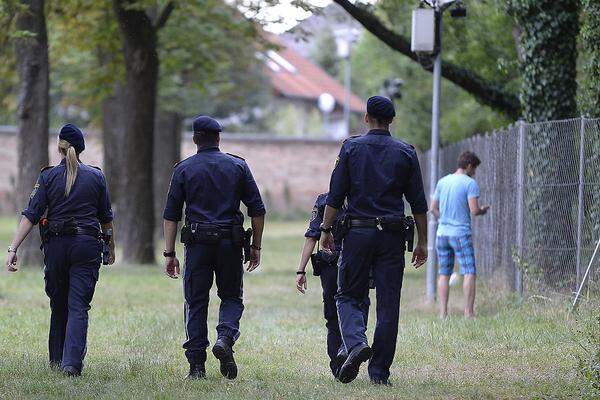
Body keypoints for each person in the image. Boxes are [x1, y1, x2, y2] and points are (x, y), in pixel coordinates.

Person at [319, 96, 429, 385]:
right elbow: (418, 202)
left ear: (366, 118)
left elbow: (335, 195)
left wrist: (325, 230)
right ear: (391, 121)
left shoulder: (351, 148)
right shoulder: (406, 152)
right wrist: (422, 242)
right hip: (392, 236)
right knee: (388, 304)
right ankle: (379, 373)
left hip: (357, 233)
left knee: (347, 295)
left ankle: (356, 343)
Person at [5, 124, 115, 377]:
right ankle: (71, 365)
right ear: (81, 148)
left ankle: (57, 360)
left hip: (56, 246)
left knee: (58, 303)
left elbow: (31, 215)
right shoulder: (96, 177)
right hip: (87, 247)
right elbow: (106, 219)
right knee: (78, 306)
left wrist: (13, 248)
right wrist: (110, 247)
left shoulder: (47, 177)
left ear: (59, 147)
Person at [162, 115, 265, 380]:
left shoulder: (184, 169)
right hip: (230, 243)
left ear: (195, 139)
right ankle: (225, 337)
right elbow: (257, 210)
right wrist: (256, 246)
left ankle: (196, 367)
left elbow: (171, 215)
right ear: (218, 138)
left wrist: (170, 253)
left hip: (197, 244)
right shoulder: (237, 166)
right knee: (231, 296)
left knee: (195, 302)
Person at [295, 192, 369, 379]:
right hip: (356, 262)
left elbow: (312, 235)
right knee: (358, 306)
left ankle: (338, 364)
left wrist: (301, 270)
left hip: (331, 264)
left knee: (332, 316)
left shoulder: (324, 201)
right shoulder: (364, 198)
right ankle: (349, 347)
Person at [430, 151, 489, 319]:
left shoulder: (442, 181)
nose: (475, 172)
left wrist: (445, 219)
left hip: (442, 234)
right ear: (469, 166)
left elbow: (433, 208)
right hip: (460, 234)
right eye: (475, 168)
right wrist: (482, 210)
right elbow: (474, 210)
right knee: (469, 271)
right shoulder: (470, 184)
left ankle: (443, 314)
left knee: (444, 273)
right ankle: (469, 313)